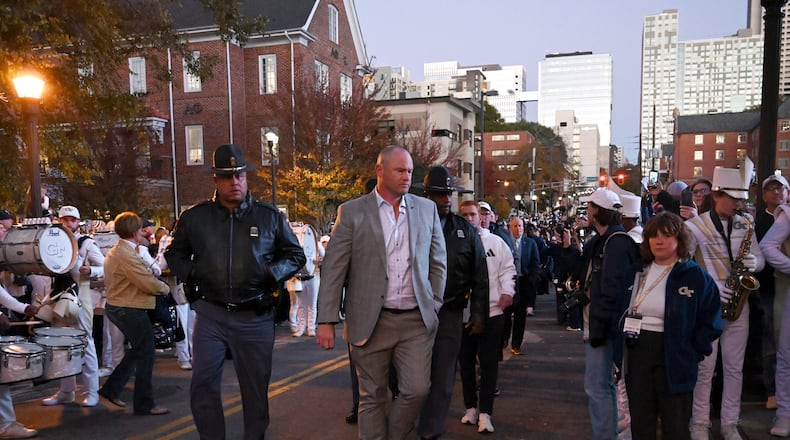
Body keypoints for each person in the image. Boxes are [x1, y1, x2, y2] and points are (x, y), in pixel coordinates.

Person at [165, 144, 306, 439]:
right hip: (211, 315)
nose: (235, 182)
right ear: (215, 180)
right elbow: (174, 254)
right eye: (227, 177)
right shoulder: (196, 218)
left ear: (246, 177)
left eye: (240, 175)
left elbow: (296, 255)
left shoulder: (269, 217)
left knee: (255, 390)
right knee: (203, 384)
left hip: (255, 316)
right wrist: (192, 272)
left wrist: (271, 272)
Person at [316, 145, 447, 440]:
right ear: (379, 170)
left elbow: (438, 261)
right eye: (400, 170)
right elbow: (335, 269)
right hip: (370, 321)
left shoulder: (426, 209)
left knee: (417, 390)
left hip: (415, 321)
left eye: (410, 171)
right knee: (372, 396)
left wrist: (434, 301)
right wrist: (326, 319)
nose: (407, 177)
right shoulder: (351, 212)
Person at [624, 212, 722, 440]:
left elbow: (711, 320)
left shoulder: (695, 276)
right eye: (654, 236)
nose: (659, 241)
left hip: (677, 357)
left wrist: (693, 351)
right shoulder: (637, 271)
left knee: (675, 425)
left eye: (667, 236)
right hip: (639, 352)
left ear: (680, 240)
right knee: (641, 422)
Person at [685, 158, 765, 440]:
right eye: (733, 199)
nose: (739, 205)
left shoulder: (745, 224)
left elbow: (761, 258)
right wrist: (710, 285)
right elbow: (683, 267)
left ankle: (730, 422)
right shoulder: (694, 227)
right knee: (705, 368)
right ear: (716, 195)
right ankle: (699, 423)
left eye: (741, 199)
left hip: (737, 307)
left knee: (734, 368)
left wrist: (756, 263)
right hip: (707, 307)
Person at [417, 166, 488, 440]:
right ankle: (410, 420)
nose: (446, 200)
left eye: (448, 194)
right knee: (412, 378)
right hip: (416, 311)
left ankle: (430, 431)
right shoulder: (412, 227)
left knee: (444, 378)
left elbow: (480, 275)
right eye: (438, 195)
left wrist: (479, 313)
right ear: (426, 196)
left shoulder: (465, 232)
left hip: (450, 311)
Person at [576, 188, 640, 440]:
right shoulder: (607, 241)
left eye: (589, 207)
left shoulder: (615, 243)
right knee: (605, 387)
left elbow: (610, 292)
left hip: (605, 328)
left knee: (597, 387)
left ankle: (604, 435)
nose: (587, 212)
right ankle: (610, 433)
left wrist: (599, 329)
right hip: (603, 326)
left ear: (596, 211)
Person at [98, 211, 171, 415]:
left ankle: (111, 388)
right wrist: (165, 289)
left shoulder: (126, 250)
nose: (144, 231)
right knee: (146, 353)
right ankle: (144, 404)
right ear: (134, 231)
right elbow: (146, 282)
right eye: (141, 228)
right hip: (128, 307)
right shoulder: (125, 254)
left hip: (124, 305)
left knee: (139, 350)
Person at [457, 201, 514, 434]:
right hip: (465, 314)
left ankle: (485, 413)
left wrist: (507, 291)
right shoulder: (454, 243)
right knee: (466, 364)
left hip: (492, 312)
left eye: (473, 214)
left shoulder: (496, 243)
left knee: (489, 365)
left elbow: (508, 269)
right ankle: (470, 407)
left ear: (481, 217)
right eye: (465, 215)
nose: (470, 218)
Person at [41, 205, 104, 407]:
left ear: (78, 222)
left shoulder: (86, 243)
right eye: (65, 220)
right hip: (58, 295)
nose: (69, 223)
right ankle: (66, 391)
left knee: (85, 342)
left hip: (80, 294)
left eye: (72, 220)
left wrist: (91, 270)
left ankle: (91, 391)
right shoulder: (52, 241)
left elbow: (105, 265)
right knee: (61, 346)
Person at [758, 178, 790, 436]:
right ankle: (785, 414)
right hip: (781, 292)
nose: (777, 192)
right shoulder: (786, 215)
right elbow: (767, 246)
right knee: (784, 352)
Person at [502, 216, 539, 356]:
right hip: (509, 281)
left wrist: (532, 278)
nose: (518, 229)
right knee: (505, 314)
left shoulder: (530, 243)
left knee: (520, 315)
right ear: (510, 228)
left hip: (524, 282)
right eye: (515, 226)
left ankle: (516, 344)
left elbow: (536, 263)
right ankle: (504, 338)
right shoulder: (505, 243)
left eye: (520, 226)